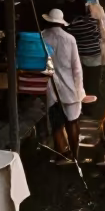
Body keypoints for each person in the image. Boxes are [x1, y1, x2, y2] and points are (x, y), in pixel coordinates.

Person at [41, 8, 86, 159]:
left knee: (57, 125)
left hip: (50, 87)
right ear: (61, 22)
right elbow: (77, 69)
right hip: (70, 87)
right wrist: (80, 91)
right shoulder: (69, 39)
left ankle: (62, 155)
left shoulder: (42, 37)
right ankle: (75, 154)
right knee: (73, 122)